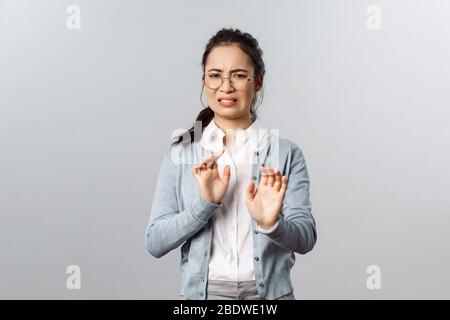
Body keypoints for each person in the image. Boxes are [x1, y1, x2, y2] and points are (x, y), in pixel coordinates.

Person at [145, 28, 317, 300]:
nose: (225, 87)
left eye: (238, 75)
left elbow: (306, 238)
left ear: (258, 81)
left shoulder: (285, 153)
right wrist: (204, 204)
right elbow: (155, 242)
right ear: (204, 81)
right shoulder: (182, 154)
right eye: (215, 76)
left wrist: (272, 224)